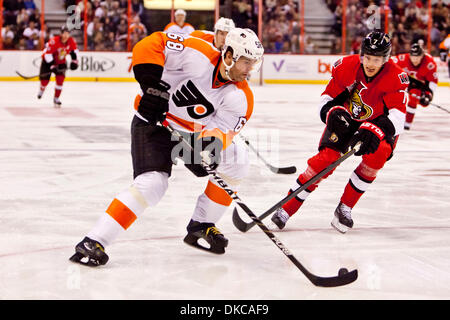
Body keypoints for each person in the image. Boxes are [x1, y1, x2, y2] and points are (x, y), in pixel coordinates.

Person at [69, 28, 264, 266]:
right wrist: (152, 84)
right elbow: (151, 44)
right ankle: (95, 240)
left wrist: (207, 149)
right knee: (153, 183)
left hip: (188, 134)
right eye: (246, 62)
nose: (249, 70)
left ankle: (201, 224)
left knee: (237, 160)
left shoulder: (242, 98)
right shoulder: (197, 53)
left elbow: (220, 131)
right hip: (152, 122)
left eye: (253, 64)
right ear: (230, 55)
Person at [270, 31, 409, 234]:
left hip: (377, 123)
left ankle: (345, 207)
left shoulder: (395, 77)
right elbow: (326, 99)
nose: (370, 63)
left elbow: (398, 117)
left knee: (378, 155)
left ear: (385, 59)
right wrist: (333, 113)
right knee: (325, 160)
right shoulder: (347, 67)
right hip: (348, 118)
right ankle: (287, 207)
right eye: (367, 57)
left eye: (376, 59)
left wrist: (376, 130)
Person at [391, 43, 438, 130]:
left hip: (421, 85)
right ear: (410, 55)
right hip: (405, 79)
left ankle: (407, 123)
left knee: (415, 96)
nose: (415, 59)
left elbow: (432, 81)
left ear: (422, 56)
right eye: (413, 57)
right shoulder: (402, 59)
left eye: (417, 57)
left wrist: (428, 94)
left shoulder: (429, 63)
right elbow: (389, 63)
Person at [38, 25, 78, 108]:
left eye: (68, 33)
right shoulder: (54, 41)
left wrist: (74, 61)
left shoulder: (71, 41)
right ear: (61, 33)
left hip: (60, 62)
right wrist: (52, 65)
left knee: (60, 80)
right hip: (47, 61)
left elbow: (74, 52)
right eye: (65, 33)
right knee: (44, 81)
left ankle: (56, 98)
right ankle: (42, 89)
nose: (66, 35)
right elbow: (47, 55)